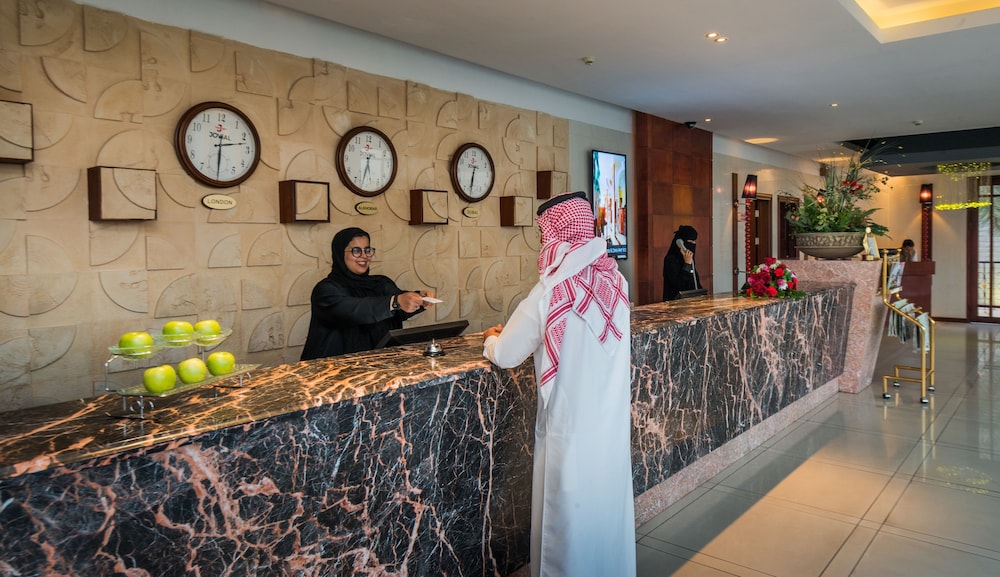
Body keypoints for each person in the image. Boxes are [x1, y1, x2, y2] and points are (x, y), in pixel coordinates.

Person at [481, 191, 636, 577]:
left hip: (571, 429)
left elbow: (506, 354)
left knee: (567, 523)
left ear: (557, 234)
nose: (542, 242)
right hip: (609, 426)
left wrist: (491, 339)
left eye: (543, 234)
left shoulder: (551, 292)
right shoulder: (616, 282)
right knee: (606, 511)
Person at [300, 227, 434, 360]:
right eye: (356, 251)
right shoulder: (325, 290)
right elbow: (355, 311)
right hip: (332, 368)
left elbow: (398, 309)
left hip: (379, 365)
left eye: (367, 250)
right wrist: (395, 302)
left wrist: (419, 299)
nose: (364, 256)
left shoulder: (380, 283)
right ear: (340, 254)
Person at [662, 225, 702, 300]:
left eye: (694, 241)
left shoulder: (690, 260)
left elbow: (695, 283)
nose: (693, 244)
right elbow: (680, 285)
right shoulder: (670, 260)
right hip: (675, 303)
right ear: (680, 243)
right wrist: (687, 264)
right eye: (691, 241)